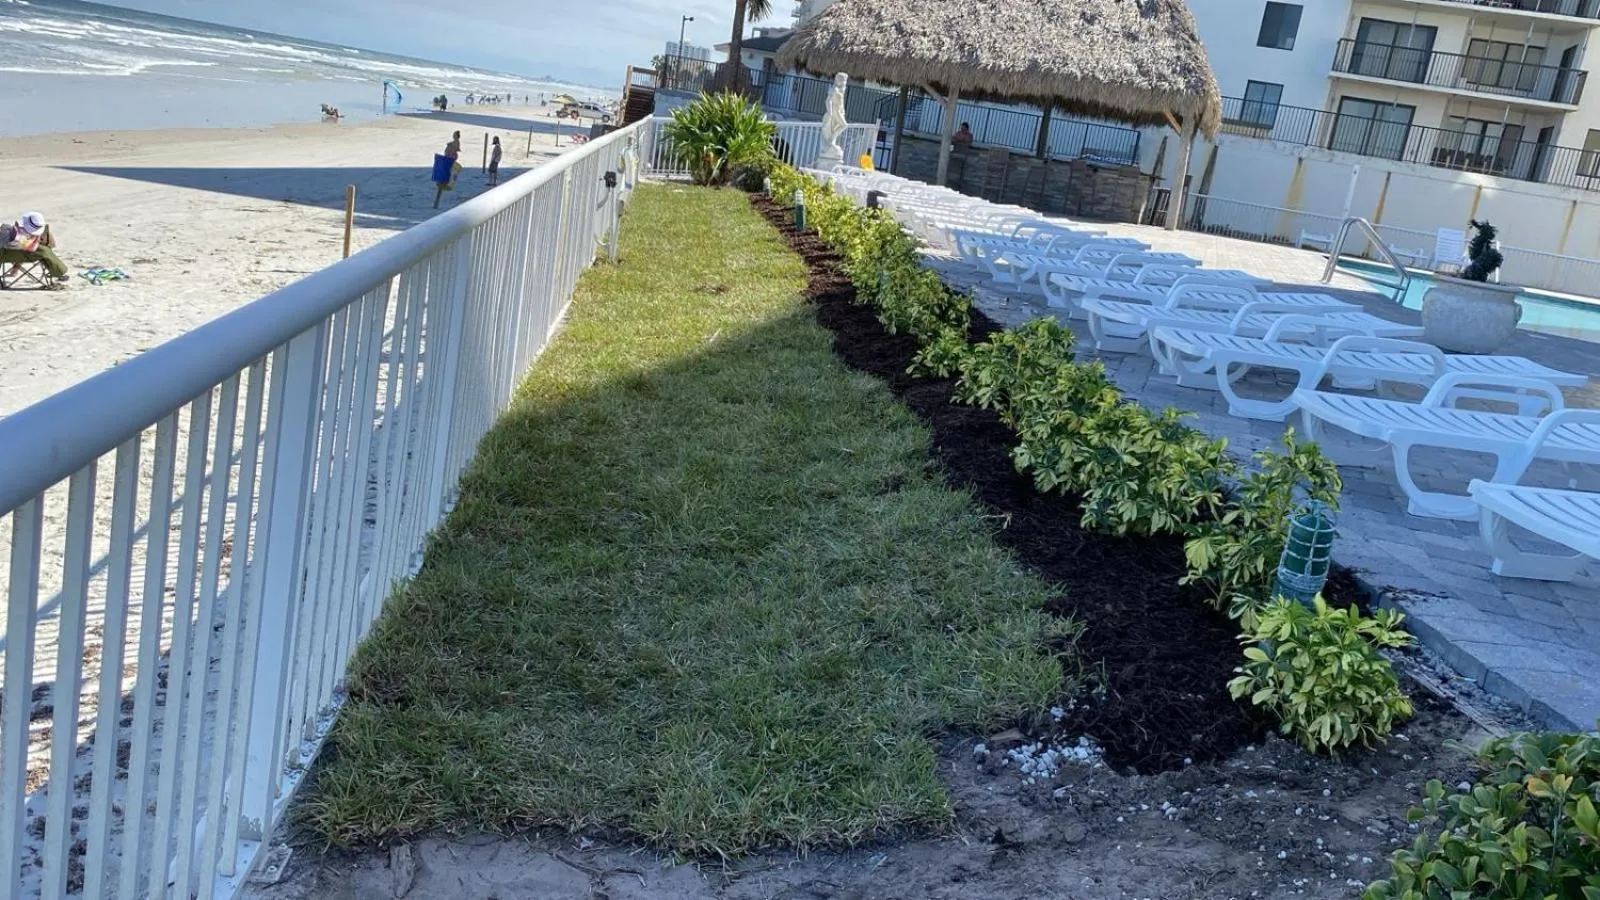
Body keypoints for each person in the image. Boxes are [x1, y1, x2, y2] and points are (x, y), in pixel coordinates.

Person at [1, 212, 69, 288]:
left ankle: (15, 268)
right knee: (45, 249)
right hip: (32, 255)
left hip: (9, 254)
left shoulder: (9, 231)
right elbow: (50, 246)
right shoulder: (40, 243)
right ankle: (59, 274)